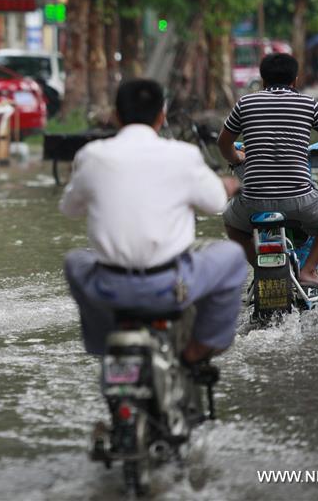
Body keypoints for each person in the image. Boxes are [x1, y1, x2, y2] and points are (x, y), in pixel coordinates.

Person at [62, 79, 245, 364]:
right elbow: (215, 204)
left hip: (109, 287)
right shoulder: (184, 155)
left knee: (74, 261)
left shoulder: (92, 155)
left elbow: (70, 209)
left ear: (116, 116)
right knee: (232, 255)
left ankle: (103, 346)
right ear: (161, 116)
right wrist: (225, 187)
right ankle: (199, 348)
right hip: (170, 286)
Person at [218, 53, 318, 292]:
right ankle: (308, 271)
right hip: (301, 202)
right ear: (295, 80)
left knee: (230, 222)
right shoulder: (308, 103)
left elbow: (223, 143)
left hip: (252, 202)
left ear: (263, 80)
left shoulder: (245, 103)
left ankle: (261, 271)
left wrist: (238, 158)